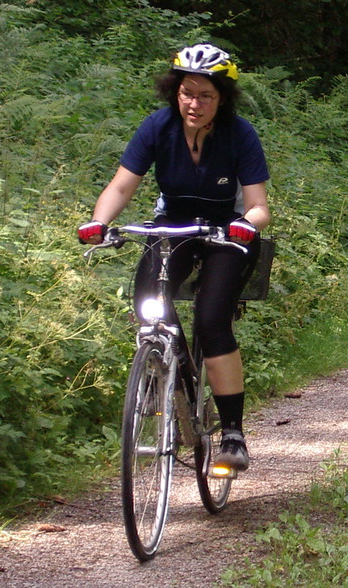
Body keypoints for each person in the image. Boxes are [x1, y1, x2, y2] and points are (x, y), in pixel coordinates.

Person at [78, 43, 271, 473]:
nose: (194, 103)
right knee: (148, 304)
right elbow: (122, 186)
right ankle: (163, 372)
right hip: (174, 227)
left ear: (222, 99)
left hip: (227, 231)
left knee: (211, 320)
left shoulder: (240, 134)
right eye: (187, 92)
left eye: (205, 95)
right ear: (175, 91)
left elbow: (259, 205)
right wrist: (98, 222)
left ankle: (233, 433)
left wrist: (247, 224)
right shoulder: (157, 127)